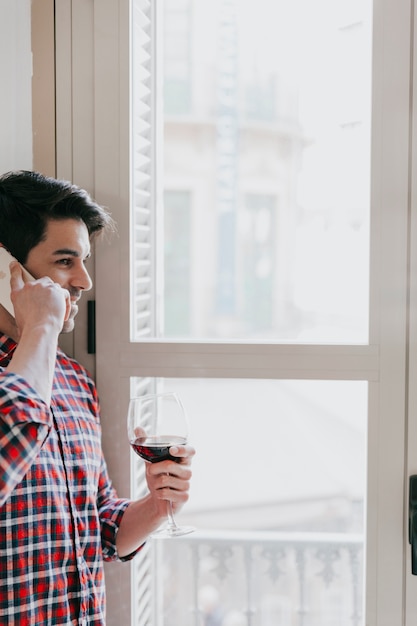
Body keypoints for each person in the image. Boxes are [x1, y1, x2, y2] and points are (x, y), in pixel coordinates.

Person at [0, 170, 195, 625]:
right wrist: (42, 326)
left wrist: (157, 506)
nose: (85, 281)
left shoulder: (73, 381)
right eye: (65, 261)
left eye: (84, 261)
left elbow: (101, 530)